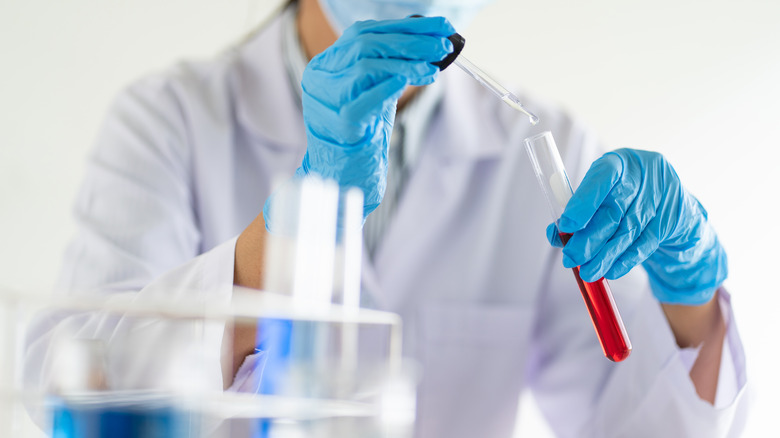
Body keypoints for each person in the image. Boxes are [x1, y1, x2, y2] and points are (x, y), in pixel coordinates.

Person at [25, 0, 748, 436]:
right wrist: (287, 239)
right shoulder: (173, 122)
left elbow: (644, 427)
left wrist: (688, 292)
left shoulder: (544, 154)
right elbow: (80, 394)